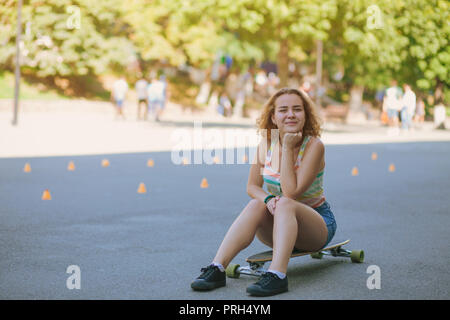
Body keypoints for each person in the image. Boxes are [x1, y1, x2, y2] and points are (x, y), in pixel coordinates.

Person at [191, 88, 337, 296]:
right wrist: (268, 199)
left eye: (297, 109)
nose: (290, 114)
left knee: (285, 202)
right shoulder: (267, 145)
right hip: (280, 227)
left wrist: (286, 148)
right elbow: (252, 187)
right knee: (256, 204)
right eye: (283, 110)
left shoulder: (314, 146)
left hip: (316, 226)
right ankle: (217, 267)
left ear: (306, 115)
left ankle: (278, 275)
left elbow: (291, 192)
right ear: (273, 117)